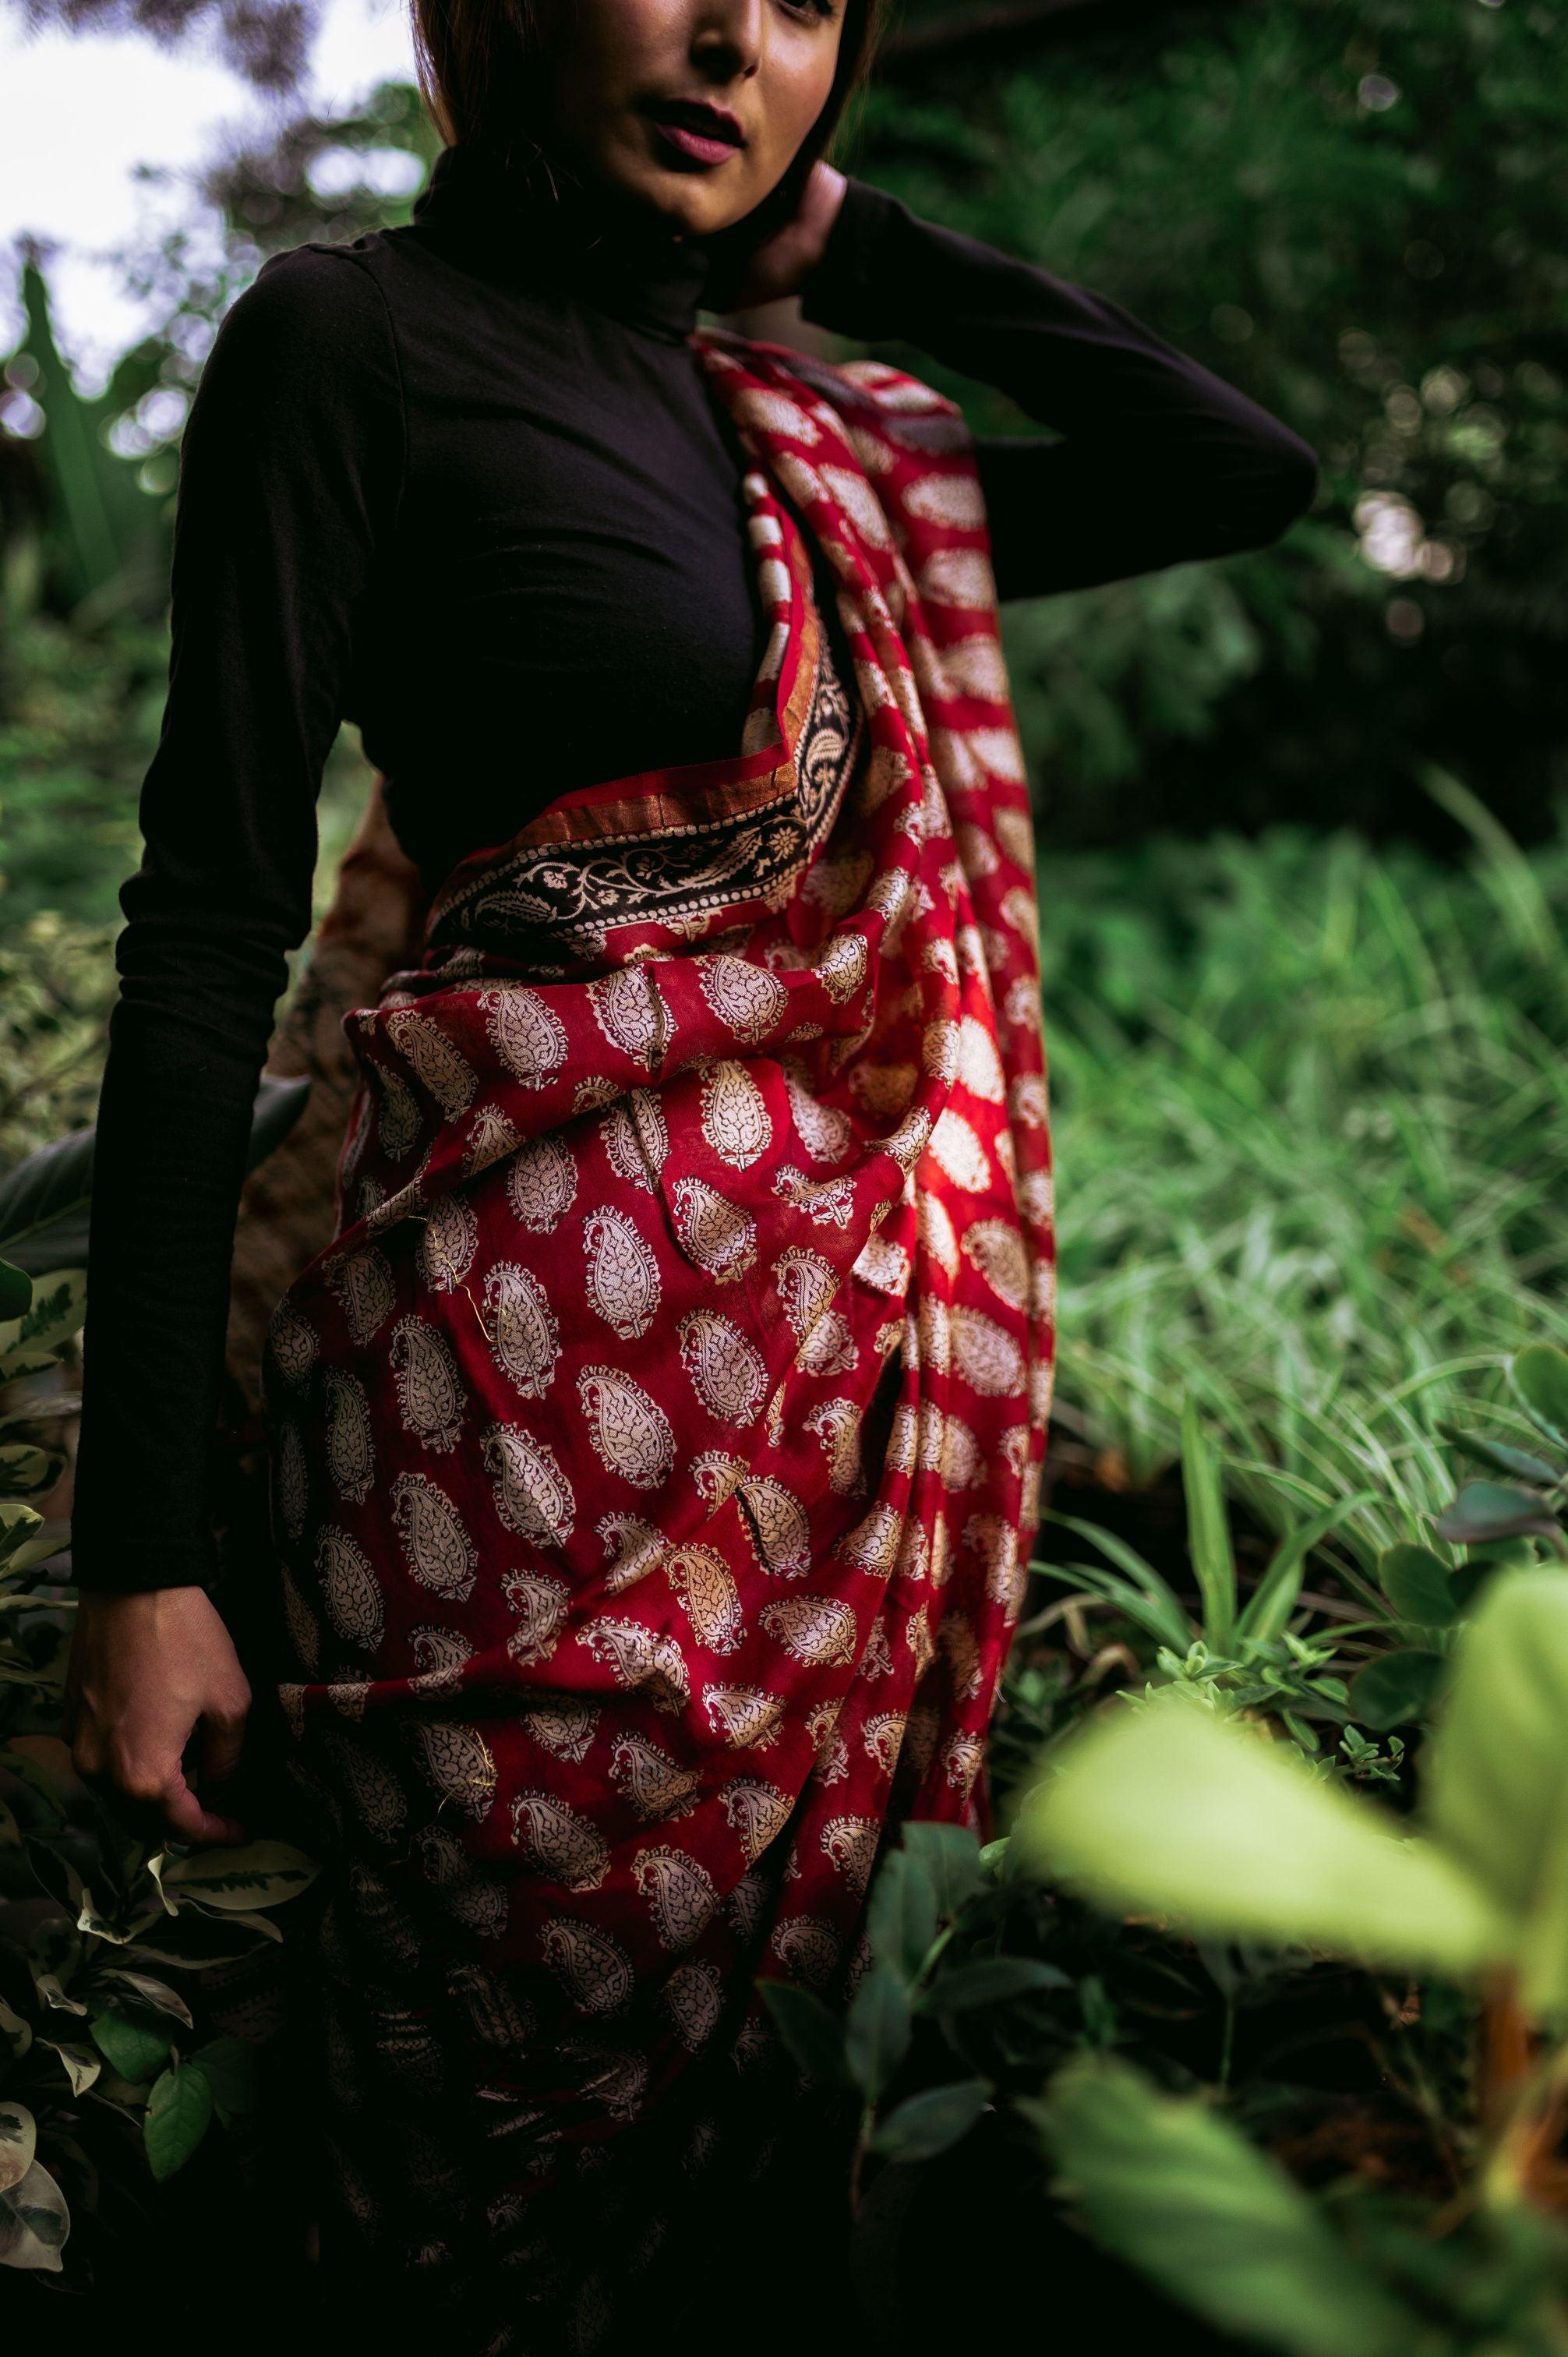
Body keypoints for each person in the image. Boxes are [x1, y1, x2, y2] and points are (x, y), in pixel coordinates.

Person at [64, 0, 1318, 2343]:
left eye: (812, 0)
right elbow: (208, 928)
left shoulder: (813, 440)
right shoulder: (355, 340)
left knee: (750, 2186)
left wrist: (865, 242)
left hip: (820, 1429)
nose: (740, 34)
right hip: (482, 1436)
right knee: (475, 2143)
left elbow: (1231, 462)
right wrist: (133, 1555)